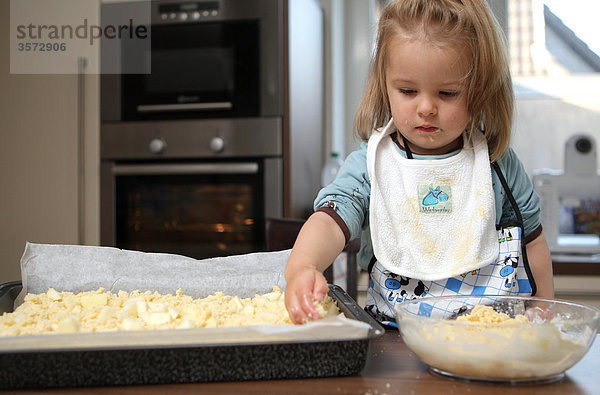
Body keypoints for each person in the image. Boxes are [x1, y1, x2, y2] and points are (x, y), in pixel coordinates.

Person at [284, 0, 554, 326]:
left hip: (490, 338)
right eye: (408, 90)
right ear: (384, 86)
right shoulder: (372, 166)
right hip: (397, 341)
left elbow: (532, 240)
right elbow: (329, 221)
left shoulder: (496, 163)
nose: (426, 107)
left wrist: (542, 307)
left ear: (480, 89)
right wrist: (303, 267)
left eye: (448, 93)